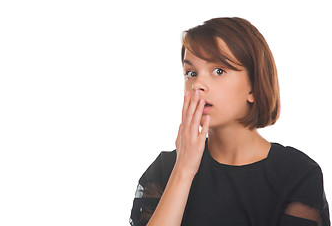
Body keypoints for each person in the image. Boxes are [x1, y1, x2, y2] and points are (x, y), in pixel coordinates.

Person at [129, 17, 330, 226]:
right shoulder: (166, 169)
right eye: (191, 73)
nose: (197, 84)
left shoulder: (297, 173)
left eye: (218, 71)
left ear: (253, 86)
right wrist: (183, 170)